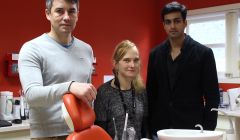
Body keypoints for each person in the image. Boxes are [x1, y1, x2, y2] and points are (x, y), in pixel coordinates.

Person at [18, 0, 97, 139]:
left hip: (82, 132)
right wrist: (70, 86)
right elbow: (31, 96)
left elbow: (85, 95)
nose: (66, 17)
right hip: (48, 135)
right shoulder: (32, 48)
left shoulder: (86, 50)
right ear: (48, 14)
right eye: (60, 11)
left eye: (71, 11)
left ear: (77, 15)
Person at [146, 1, 220, 139]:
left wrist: (208, 130)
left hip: (192, 129)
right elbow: (151, 94)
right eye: (168, 22)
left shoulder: (204, 54)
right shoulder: (155, 54)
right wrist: (149, 127)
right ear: (163, 25)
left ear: (185, 23)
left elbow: (213, 97)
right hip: (160, 129)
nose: (172, 26)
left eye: (177, 21)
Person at [94, 40, 148, 140]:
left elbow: (145, 128)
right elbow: (99, 133)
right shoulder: (103, 92)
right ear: (116, 64)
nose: (132, 65)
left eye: (136, 60)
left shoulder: (141, 91)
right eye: (127, 60)